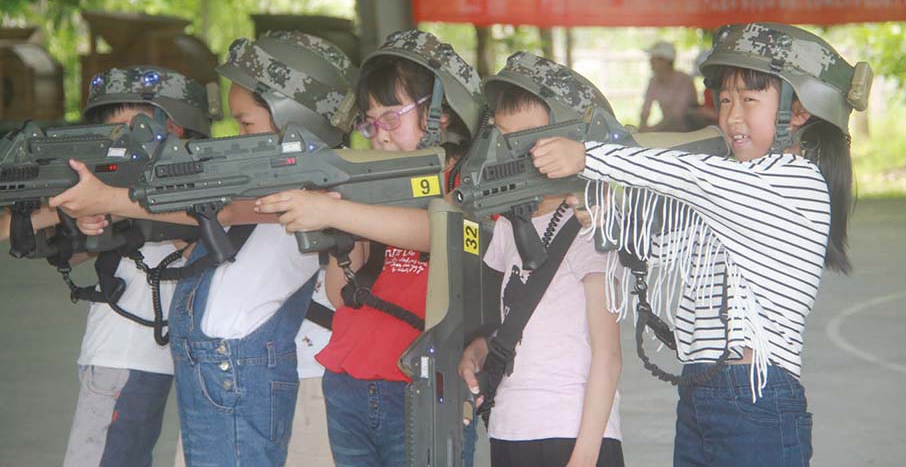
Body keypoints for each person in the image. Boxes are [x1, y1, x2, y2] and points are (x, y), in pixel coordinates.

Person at [531, 23, 872, 467]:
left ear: (799, 111)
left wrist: (589, 156)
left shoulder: (794, 179)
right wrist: (609, 218)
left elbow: (696, 178)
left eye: (749, 100)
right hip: (703, 390)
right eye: (725, 100)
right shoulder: (737, 192)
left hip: (754, 392)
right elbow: (668, 246)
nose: (732, 116)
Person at [52, 31, 356, 467]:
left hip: (265, 371)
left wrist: (110, 199)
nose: (238, 135)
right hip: (216, 368)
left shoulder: (315, 183)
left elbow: (227, 210)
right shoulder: (270, 174)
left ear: (294, 116)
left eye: (246, 124)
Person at [255, 29, 484, 467]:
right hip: (349, 380)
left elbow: (439, 232)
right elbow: (341, 294)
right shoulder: (374, 184)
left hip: (421, 384)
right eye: (370, 122)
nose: (379, 135)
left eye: (392, 118)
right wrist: (340, 221)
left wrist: (335, 211)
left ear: (441, 115)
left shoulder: (468, 181)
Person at [456, 52, 623, 467]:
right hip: (510, 429)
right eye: (505, 139)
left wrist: (586, 454)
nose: (514, 154)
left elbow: (608, 356)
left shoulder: (590, 223)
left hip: (571, 433)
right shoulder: (509, 224)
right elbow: (512, 319)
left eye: (529, 141)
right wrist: (480, 348)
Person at [59, 66, 215, 467]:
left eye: (131, 128)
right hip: (123, 349)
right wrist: (91, 216)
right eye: (110, 132)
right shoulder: (108, 184)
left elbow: (214, 233)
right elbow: (71, 253)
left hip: (201, 352)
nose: (118, 141)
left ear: (177, 127)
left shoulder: (211, 178)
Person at [640, 40, 698, 132]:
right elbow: (646, 109)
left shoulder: (684, 80)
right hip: (669, 129)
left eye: (656, 58)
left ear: (667, 61)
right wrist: (642, 128)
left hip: (690, 130)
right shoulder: (654, 81)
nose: (651, 60)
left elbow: (677, 113)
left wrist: (652, 129)